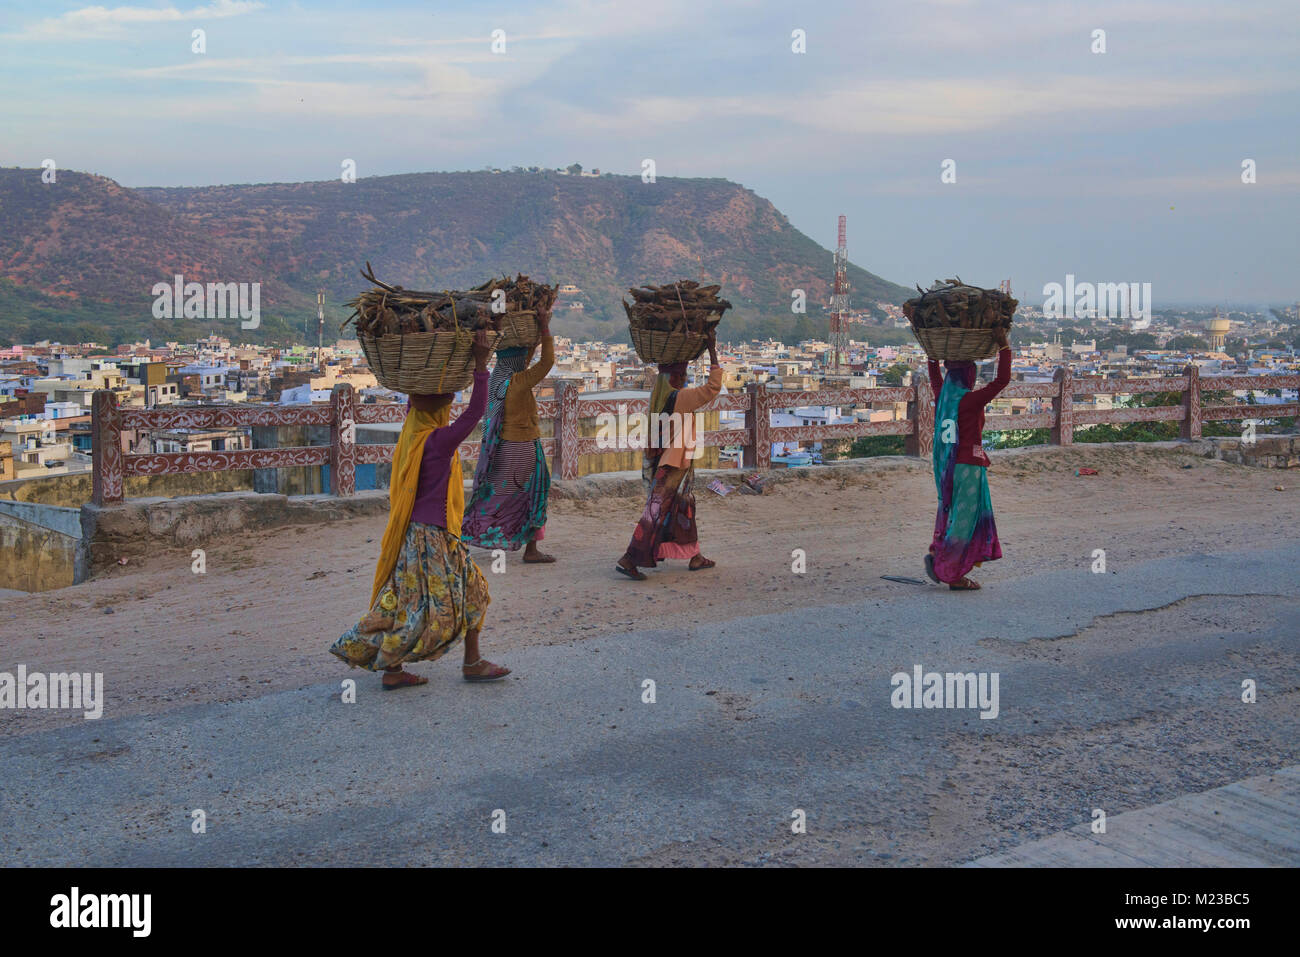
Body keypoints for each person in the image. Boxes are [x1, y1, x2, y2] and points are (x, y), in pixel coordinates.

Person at [329, 329, 510, 686]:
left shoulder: (412, 435)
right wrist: (479, 364)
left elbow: (423, 403)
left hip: (415, 534)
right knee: (445, 602)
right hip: (434, 538)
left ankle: (408, 669)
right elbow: (475, 412)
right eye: (446, 403)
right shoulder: (439, 441)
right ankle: (452, 662)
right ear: (441, 408)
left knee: (410, 600)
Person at [616, 330, 722, 580]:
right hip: (674, 464)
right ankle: (630, 558)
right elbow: (713, 387)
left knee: (684, 508)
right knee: (655, 512)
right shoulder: (681, 397)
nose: (685, 379)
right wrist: (712, 350)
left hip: (668, 461)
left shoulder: (658, 396)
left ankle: (694, 555)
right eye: (683, 375)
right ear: (676, 377)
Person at [462, 303, 555, 563]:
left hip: (502, 447)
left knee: (496, 495)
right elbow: (547, 362)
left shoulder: (497, 379)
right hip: (523, 447)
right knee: (533, 494)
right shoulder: (518, 382)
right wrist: (545, 327)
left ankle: (467, 534)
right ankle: (531, 550)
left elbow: (524, 360)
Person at [924, 326, 1011, 591]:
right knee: (965, 520)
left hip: (946, 469)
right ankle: (951, 572)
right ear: (968, 376)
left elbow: (935, 379)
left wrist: (932, 354)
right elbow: (1001, 382)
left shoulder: (944, 399)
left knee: (950, 513)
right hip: (969, 467)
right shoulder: (969, 400)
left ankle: (939, 553)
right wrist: (1004, 348)